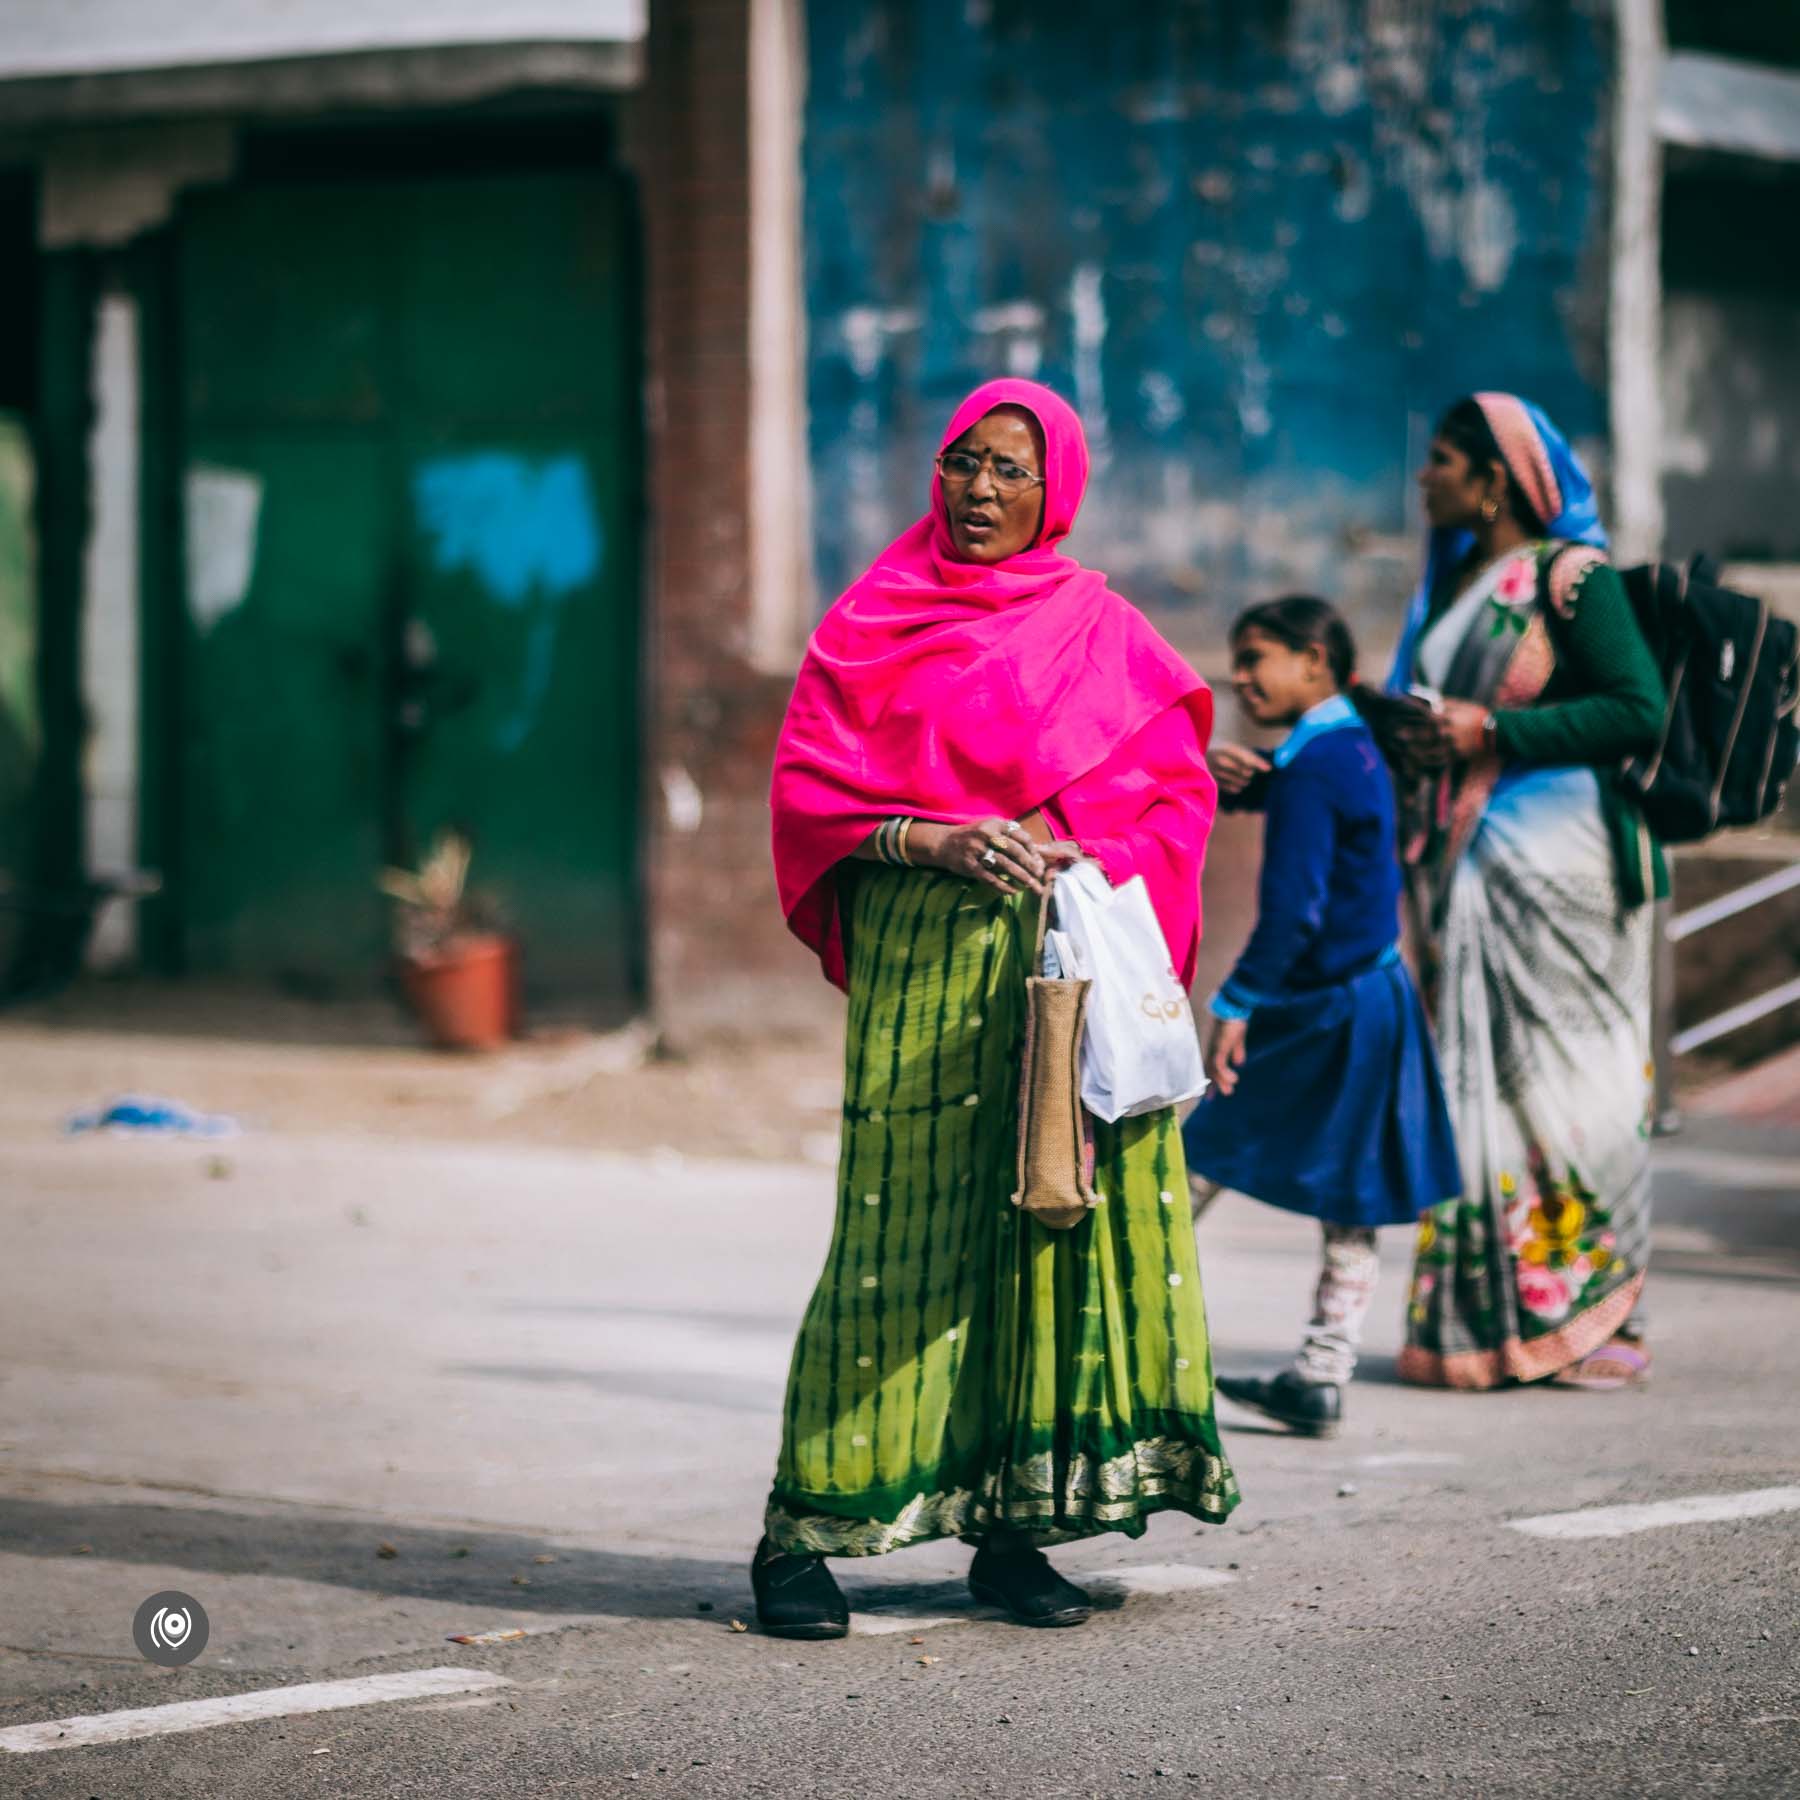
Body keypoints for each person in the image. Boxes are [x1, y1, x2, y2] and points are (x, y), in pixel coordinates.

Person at [759, 378, 1239, 1640]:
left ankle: (1017, 1534)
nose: (980, 490)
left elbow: (1170, 792)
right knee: (893, 1248)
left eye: (1011, 473)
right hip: (924, 968)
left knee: (1045, 1239)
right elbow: (814, 795)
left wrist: (1072, 844)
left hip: (1056, 981)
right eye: (964, 462)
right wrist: (933, 838)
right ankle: (801, 1537)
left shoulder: (1099, 626)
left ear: (1056, 494)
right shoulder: (871, 618)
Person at [1390, 392, 1665, 1392]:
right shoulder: (1454, 587)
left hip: (1564, 872)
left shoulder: (1572, 578)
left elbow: (1639, 710)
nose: (1425, 479)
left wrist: (1492, 734)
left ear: (1494, 479)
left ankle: (1599, 1314)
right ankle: (1493, 1314)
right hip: (1465, 870)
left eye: (1441, 462)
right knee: (1486, 1091)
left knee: (1573, 1088)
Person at [1182, 598, 1460, 1437]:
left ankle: (1120, 1337)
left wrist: (1235, 1001)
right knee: (1355, 1196)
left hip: (1321, 1009)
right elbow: (1336, 817)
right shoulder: (1348, 748)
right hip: (1376, 997)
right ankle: (1323, 1370)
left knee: (1195, 1159)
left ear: (1313, 662)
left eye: (1256, 657)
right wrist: (1268, 781)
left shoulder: (1315, 767)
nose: (1239, 676)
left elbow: (1294, 912)